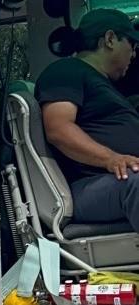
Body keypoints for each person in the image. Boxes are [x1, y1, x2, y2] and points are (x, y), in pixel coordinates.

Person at [37, 8, 139, 232]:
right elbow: (58, 129)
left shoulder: (106, 86)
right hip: (93, 185)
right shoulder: (66, 71)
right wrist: (111, 158)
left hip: (117, 181)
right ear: (110, 39)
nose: (133, 55)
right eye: (132, 45)